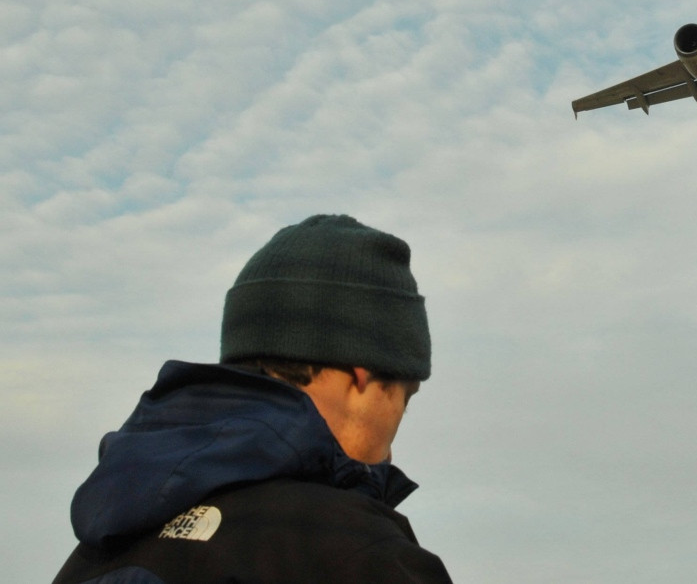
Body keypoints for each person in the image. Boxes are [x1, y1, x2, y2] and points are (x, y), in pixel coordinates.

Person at [53, 214, 453, 583]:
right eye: (405, 398)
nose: (391, 452)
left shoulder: (90, 555)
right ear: (360, 373)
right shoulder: (358, 553)